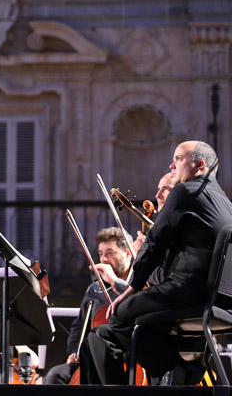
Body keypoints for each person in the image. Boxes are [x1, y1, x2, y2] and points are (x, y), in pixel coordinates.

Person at [87, 141, 232, 385]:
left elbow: (155, 242)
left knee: (120, 315)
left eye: (178, 159)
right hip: (222, 300)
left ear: (199, 165)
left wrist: (132, 287)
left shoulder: (185, 191)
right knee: (147, 326)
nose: (172, 165)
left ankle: (178, 370)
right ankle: (176, 374)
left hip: (190, 292)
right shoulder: (225, 202)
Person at [45, 227, 134, 384]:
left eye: (110, 253)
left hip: (127, 358)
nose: (104, 259)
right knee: (56, 375)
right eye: (101, 253)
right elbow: (78, 327)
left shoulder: (138, 283)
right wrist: (74, 351)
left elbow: (138, 302)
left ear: (127, 254)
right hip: (92, 358)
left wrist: (115, 282)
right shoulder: (94, 290)